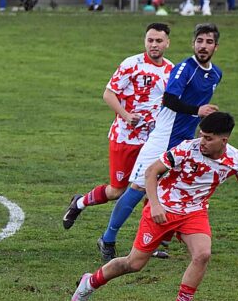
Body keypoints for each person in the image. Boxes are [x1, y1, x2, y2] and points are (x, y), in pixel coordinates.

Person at [70, 112, 238, 301]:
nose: (202, 142)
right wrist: (155, 204)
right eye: (201, 135)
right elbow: (151, 172)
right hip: (164, 209)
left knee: (202, 254)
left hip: (194, 213)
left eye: (208, 138)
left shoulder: (235, 160)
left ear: (224, 140)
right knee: (134, 264)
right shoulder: (187, 149)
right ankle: (90, 282)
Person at [96, 23, 222, 263]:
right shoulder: (184, 68)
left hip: (185, 139)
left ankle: (154, 240)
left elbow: (198, 108)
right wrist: (197, 110)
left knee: (172, 189)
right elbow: (169, 100)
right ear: (193, 43)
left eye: (208, 42)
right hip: (164, 136)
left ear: (216, 46)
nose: (203, 46)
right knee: (138, 188)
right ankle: (108, 238)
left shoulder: (215, 74)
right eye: (199, 41)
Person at [63, 23, 173, 231]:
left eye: (159, 41)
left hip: (153, 140)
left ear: (167, 43)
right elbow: (108, 94)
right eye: (150, 40)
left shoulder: (171, 70)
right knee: (117, 191)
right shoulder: (132, 64)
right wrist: (126, 116)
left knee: (152, 186)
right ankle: (79, 203)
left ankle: (152, 235)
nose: (154, 45)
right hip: (125, 137)